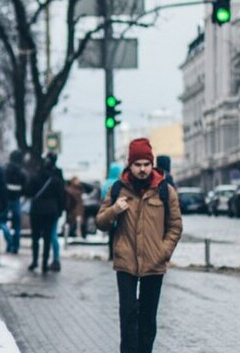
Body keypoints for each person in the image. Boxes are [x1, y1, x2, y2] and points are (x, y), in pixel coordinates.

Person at [96, 138, 183, 353]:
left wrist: (163, 252)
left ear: (151, 164)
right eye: (138, 165)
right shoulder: (118, 189)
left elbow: (175, 226)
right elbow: (100, 223)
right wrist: (114, 210)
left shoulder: (165, 190)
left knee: (147, 318)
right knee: (127, 316)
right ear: (130, 165)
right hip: (126, 262)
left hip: (154, 263)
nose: (142, 169)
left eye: (146, 164)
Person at [23, 153, 66, 273]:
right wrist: (60, 210)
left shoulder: (35, 176)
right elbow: (61, 196)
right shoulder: (56, 179)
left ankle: (34, 261)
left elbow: (27, 192)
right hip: (51, 210)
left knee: (35, 237)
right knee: (47, 238)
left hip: (36, 210)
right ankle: (44, 264)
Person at [0, 150, 27, 254]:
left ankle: (9, 240)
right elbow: (25, 187)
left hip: (5, 199)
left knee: (2, 221)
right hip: (16, 199)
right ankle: (15, 246)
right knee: (17, 224)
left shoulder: (5, 170)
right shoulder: (21, 171)